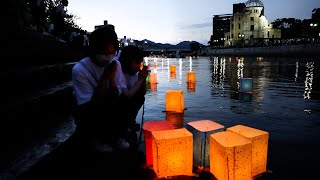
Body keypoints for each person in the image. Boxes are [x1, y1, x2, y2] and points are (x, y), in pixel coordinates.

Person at [71, 26, 148, 153]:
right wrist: (104, 78)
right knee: (105, 101)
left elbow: (117, 94)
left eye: (112, 53)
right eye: (105, 53)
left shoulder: (115, 64)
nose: (108, 57)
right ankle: (94, 139)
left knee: (120, 100)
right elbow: (88, 104)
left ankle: (116, 135)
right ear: (94, 49)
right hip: (87, 108)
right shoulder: (80, 70)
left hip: (107, 103)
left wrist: (111, 80)